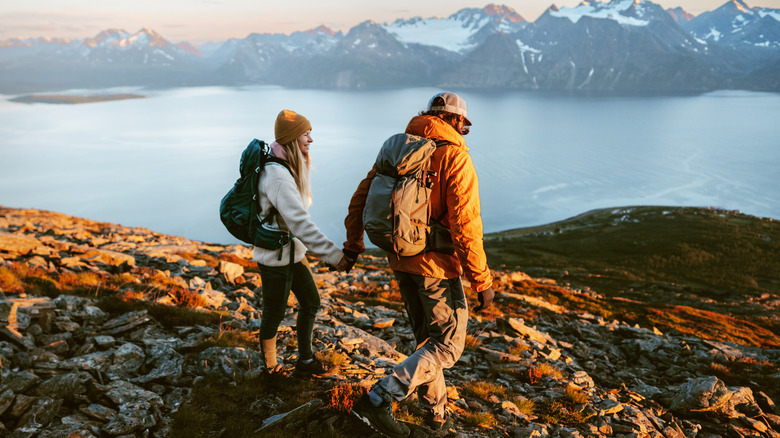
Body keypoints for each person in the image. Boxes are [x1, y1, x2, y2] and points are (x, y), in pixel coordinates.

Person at [344, 92, 495, 436]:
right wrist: (481, 281)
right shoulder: (454, 158)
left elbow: (361, 197)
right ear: (455, 121)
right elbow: (465, 225)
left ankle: (436, 415)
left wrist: (353, 243)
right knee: (448, 345)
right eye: (464, 125)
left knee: (428, 340)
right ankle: (379, 399)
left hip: (401, 259)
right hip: (436, 268)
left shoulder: (397, 149)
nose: (464, 131)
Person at [254, 109, 347, 378]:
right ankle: (271, 370)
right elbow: (300, 223)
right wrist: (334, 255)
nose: (310, 139)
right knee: (274, 312)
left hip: (292, 252)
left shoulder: (287, 167)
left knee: (310, 302)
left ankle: (305, 362)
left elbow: (297, 222)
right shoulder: (278, 176)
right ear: (293, 138)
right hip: (274, 257)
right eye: (306, 134)